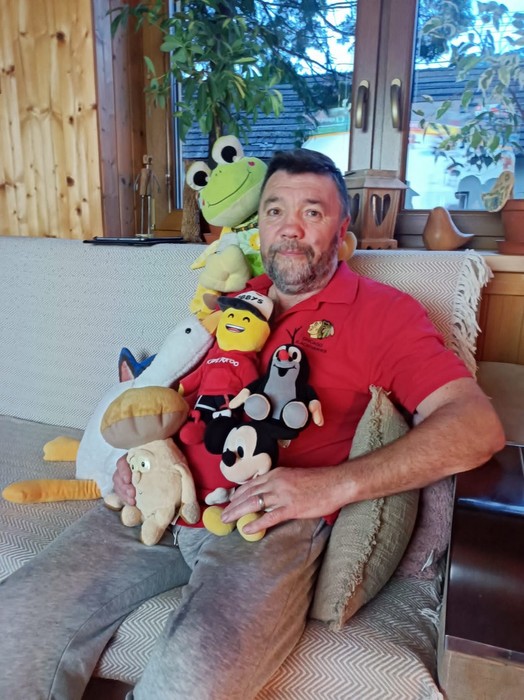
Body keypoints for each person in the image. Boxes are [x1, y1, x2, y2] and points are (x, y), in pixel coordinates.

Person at [0, 149, 504, 700]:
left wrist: (333, 485)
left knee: (192, 677)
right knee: (15, 621)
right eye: (274, 211)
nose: (289, 227)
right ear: (257, 227)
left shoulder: (384, 314)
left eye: (312, 212)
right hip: (164, 497)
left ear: (341, 230)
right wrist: (141, 456)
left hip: (265, 522)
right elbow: (180, 399)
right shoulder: (233, 305)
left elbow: (475, 426)